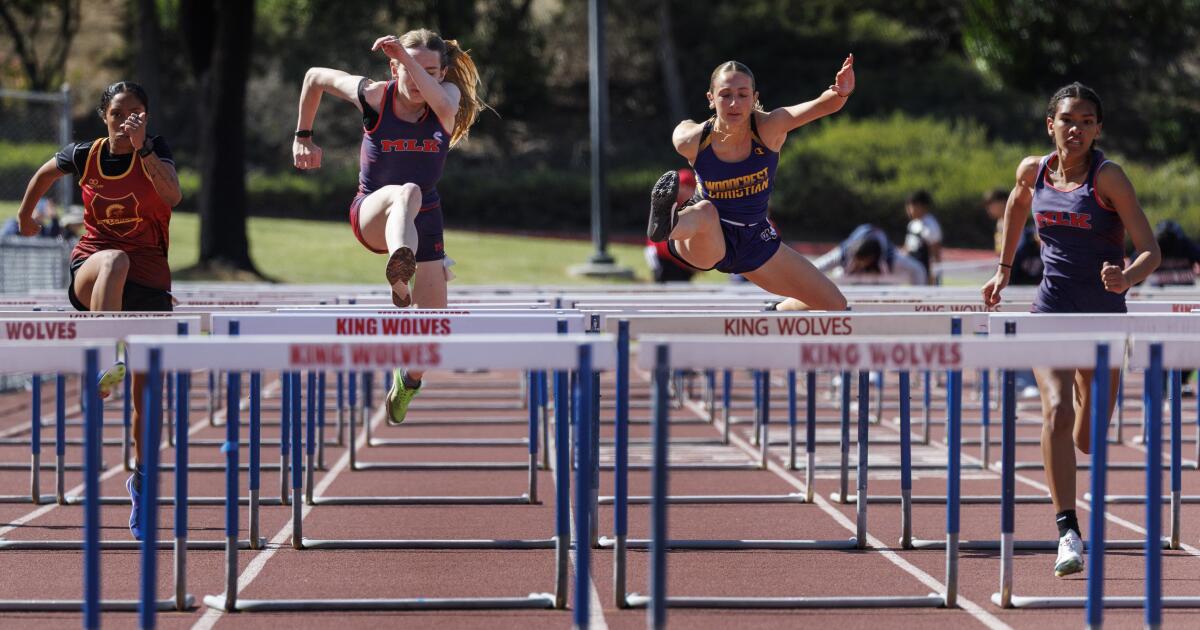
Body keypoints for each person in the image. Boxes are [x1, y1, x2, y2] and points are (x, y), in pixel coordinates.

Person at [982, 82, 1160, 578]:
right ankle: (1067, 530)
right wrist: (1003, 269)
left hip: (1103, 319)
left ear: (1098, 129)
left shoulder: (1109, 178)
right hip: (1050, 311)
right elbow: (1017, 204)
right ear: (1050, 125)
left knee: (1088, 439)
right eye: (1067, 120)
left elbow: (1151, 250)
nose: (1075, 129)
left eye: (1085, 121)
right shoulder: (1033, 170)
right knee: (1056, 411)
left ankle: (1085, 398)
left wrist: (1126, 276)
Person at [14, 80, 181, 540]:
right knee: (114, 259)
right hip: (94, 270)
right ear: (104, 117)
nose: (126, 121)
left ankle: (142, 481)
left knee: (148, 398)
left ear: (146, 117)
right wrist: (26, 217)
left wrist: (144, 148)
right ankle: (105, 358)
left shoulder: (156, 150)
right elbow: (43, 176)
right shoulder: (84, 155)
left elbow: (172, 197)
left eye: (135, 113)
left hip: (149, 281)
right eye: (118, 114)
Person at [294, 28, 486, 424]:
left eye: (429, 72)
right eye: (409, 70)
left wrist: (408, 60)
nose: (418, 80)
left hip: (424, 219)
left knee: (432, 333)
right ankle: (401, 265)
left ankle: (408, 380)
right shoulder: (375, 96)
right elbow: (314, 76)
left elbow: (437, 96)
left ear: (442, 73)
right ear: (392, 68)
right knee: (405, 191)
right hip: (373, 212)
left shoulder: (447, 98)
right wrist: (303, 136)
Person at [647, 56, 854, 311]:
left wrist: (841, 92)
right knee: (706, 211)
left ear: (754, 98)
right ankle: (669, 224)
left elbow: (821, 106)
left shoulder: (769, 127)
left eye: (742, 95)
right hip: (707, 239)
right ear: (711, 98)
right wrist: (688, 127)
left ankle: (776, 311)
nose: (734, 103)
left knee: (835, 304)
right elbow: (680, 131)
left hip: (755, 238)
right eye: (725, 95)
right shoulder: (694, 141)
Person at [812, 223, 927, 285]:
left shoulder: (892, 258)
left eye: (860, 261)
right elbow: (815, 267)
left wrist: (917, 296)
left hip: (883, 286)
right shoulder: (844, 253)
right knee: (838, 274)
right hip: (847, 285)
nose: (857, 264)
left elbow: (918, 269)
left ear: (871, 258)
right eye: (855, 259)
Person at [645, 169, 697, 283]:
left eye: (689, 188)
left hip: (681, 261)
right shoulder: (668, 207)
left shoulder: (692, 208)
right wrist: (690, 263)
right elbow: (662, 243)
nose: (684, 191)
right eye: (681, 187)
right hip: (664, 258)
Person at [902, 189, 942, 284]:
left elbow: (935, 254)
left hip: (926, 272)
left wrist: (933, 274)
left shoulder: (931, 226)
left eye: (910, 206)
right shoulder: (912, 224)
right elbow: (907, 248)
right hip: (914, 272)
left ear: (920, 206)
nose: (908, 210)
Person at [1148, 219, 1200, 287]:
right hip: (1155, 291)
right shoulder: (1150, 249)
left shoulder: (1189, 248)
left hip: (1186, 290)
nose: (1168, 244)